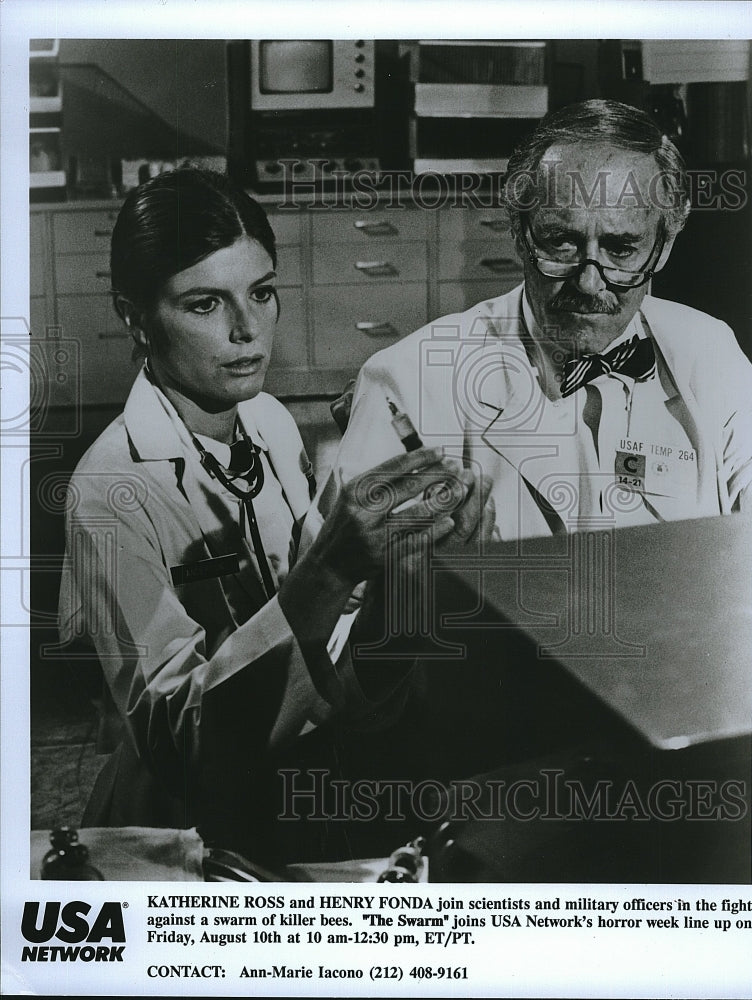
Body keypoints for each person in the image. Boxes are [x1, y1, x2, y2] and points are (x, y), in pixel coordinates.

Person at [57, 167, 490, 865]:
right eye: (204, 304)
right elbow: (183, 750)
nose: (246, 329)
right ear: (134, 316)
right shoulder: (108, 491)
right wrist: (327, 572)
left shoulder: (270, 424)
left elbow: (328, 669)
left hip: (304, 792)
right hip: (188, 836)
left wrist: (410, 574)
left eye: (261, 293)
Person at [326, 99, 752, 538]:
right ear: (519, 234)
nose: (589, 283)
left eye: (620, 249)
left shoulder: (709, 350)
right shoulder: (411, 377)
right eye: (561, 242)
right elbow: (339, 595)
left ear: (662, 249)